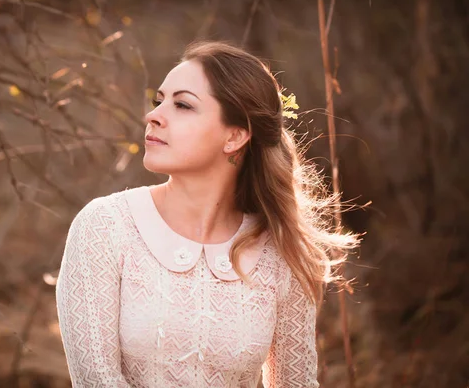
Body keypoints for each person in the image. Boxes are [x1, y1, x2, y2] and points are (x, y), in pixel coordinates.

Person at [55, 41, 360, 387]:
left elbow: (295, 384)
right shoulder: (104, 226)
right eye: (160, 101)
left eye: (182, 105)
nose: (153, 115)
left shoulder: (279, 252)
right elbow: (97, 380)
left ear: (234, 136)